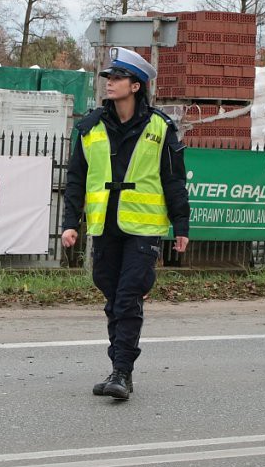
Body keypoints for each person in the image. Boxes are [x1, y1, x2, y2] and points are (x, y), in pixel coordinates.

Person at [61, 47, 190, 401]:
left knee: (128, 298)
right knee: (112, 296)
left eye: (117, 78)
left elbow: (174, 180)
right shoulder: (89, 128)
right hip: (105, 228)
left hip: (143, 229)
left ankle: (122, 372)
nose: (109, 84)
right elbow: (76, 180)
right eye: (108, 78)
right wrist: (71, 223)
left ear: (136, 85)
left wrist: (181, 226)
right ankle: (119, 368)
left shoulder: (160, 128)